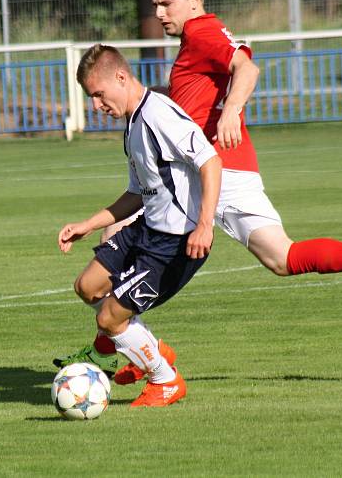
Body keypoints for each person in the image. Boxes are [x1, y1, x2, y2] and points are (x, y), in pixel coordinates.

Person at [54, 0, 342, 383]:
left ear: (194, 1)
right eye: (156, 4)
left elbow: (247, 68)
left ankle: (122, 348)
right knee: (282, 258)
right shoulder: (199, 38)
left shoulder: (201, 31)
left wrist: (231, 111)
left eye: (166, 3)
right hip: (234, 169)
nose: (159, 13)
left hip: (205, 173)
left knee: (113, 241)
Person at [57, 44, 222, 407]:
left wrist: (205, 225)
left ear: (120, 76)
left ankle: (165, 380)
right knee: (87, 286)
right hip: (147, 228)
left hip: (175, 243)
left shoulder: (159, 114)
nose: (96, 106)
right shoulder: (132, 123)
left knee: (109, 317)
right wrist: (89, 223)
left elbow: (211, 162)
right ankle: (149, 348)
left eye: (98, 95)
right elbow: (137, 193)